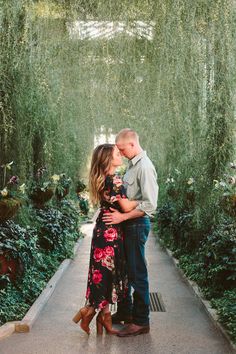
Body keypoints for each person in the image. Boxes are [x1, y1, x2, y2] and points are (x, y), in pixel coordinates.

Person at [72, 143, 138, 335]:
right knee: (107, 274)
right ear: (108, 159)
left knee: (102, 273)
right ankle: (96, 314)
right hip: (111, 232)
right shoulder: (114, 180)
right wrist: (143, 200)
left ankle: (96, 313)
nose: (121, 156)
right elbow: (126, 207)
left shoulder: (102, 179)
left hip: (103, 230)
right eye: (118, 153)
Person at [102, 128, 158, 337]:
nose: (121, 153)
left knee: (137, 273)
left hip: (136, 225)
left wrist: (122, 217)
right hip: (127, 226)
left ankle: (141, 321)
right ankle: (126, 313)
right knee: (125, 272)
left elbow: (151, 205)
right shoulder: (132, 166)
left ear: (132, 145)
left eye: (122, 149)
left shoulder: (145, 167)